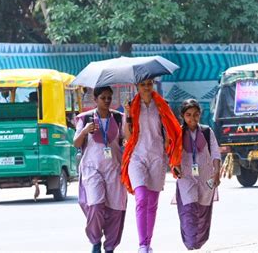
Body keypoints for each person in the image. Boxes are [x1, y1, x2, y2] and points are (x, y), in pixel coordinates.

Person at [120, 78, 182, 253]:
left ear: (153, 85)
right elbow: (127, 135)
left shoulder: (163, 105)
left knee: (152, 202)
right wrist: (128, 116)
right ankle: (142, 244)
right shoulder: (131, 106)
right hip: (137, 156)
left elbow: (171, 129)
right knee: (141, 198)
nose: (147, 88)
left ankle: (148, 244)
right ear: (137, 87)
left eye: (149, 84)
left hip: (157, 156)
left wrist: (172, 155)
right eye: (143, 85)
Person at [73, 86, 127, 253]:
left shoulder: (119, 118)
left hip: (114, 168)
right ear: (95, 100)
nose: (106, 101)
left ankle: (110, 246)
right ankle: (95, 241)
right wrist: (84, 131)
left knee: (116, 209)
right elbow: (76, 143)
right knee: (95, 206)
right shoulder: (84, 118)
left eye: (109, 98)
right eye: (103, 98)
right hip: (92, 169)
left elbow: (128, 139)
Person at [175, 99, 221, 250]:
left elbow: (215, 154)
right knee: (189, 210)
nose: (192, 118)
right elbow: (171, 154)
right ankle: (190, 243)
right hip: (186, 176)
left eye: (195, 114)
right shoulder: (178, 133)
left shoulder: (207, 132)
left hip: (206, 177)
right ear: (183, 116)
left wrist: (217, 174)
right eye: (188, 115)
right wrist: (174, 166)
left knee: (202, 213)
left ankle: (198, 242)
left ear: (200, 115)